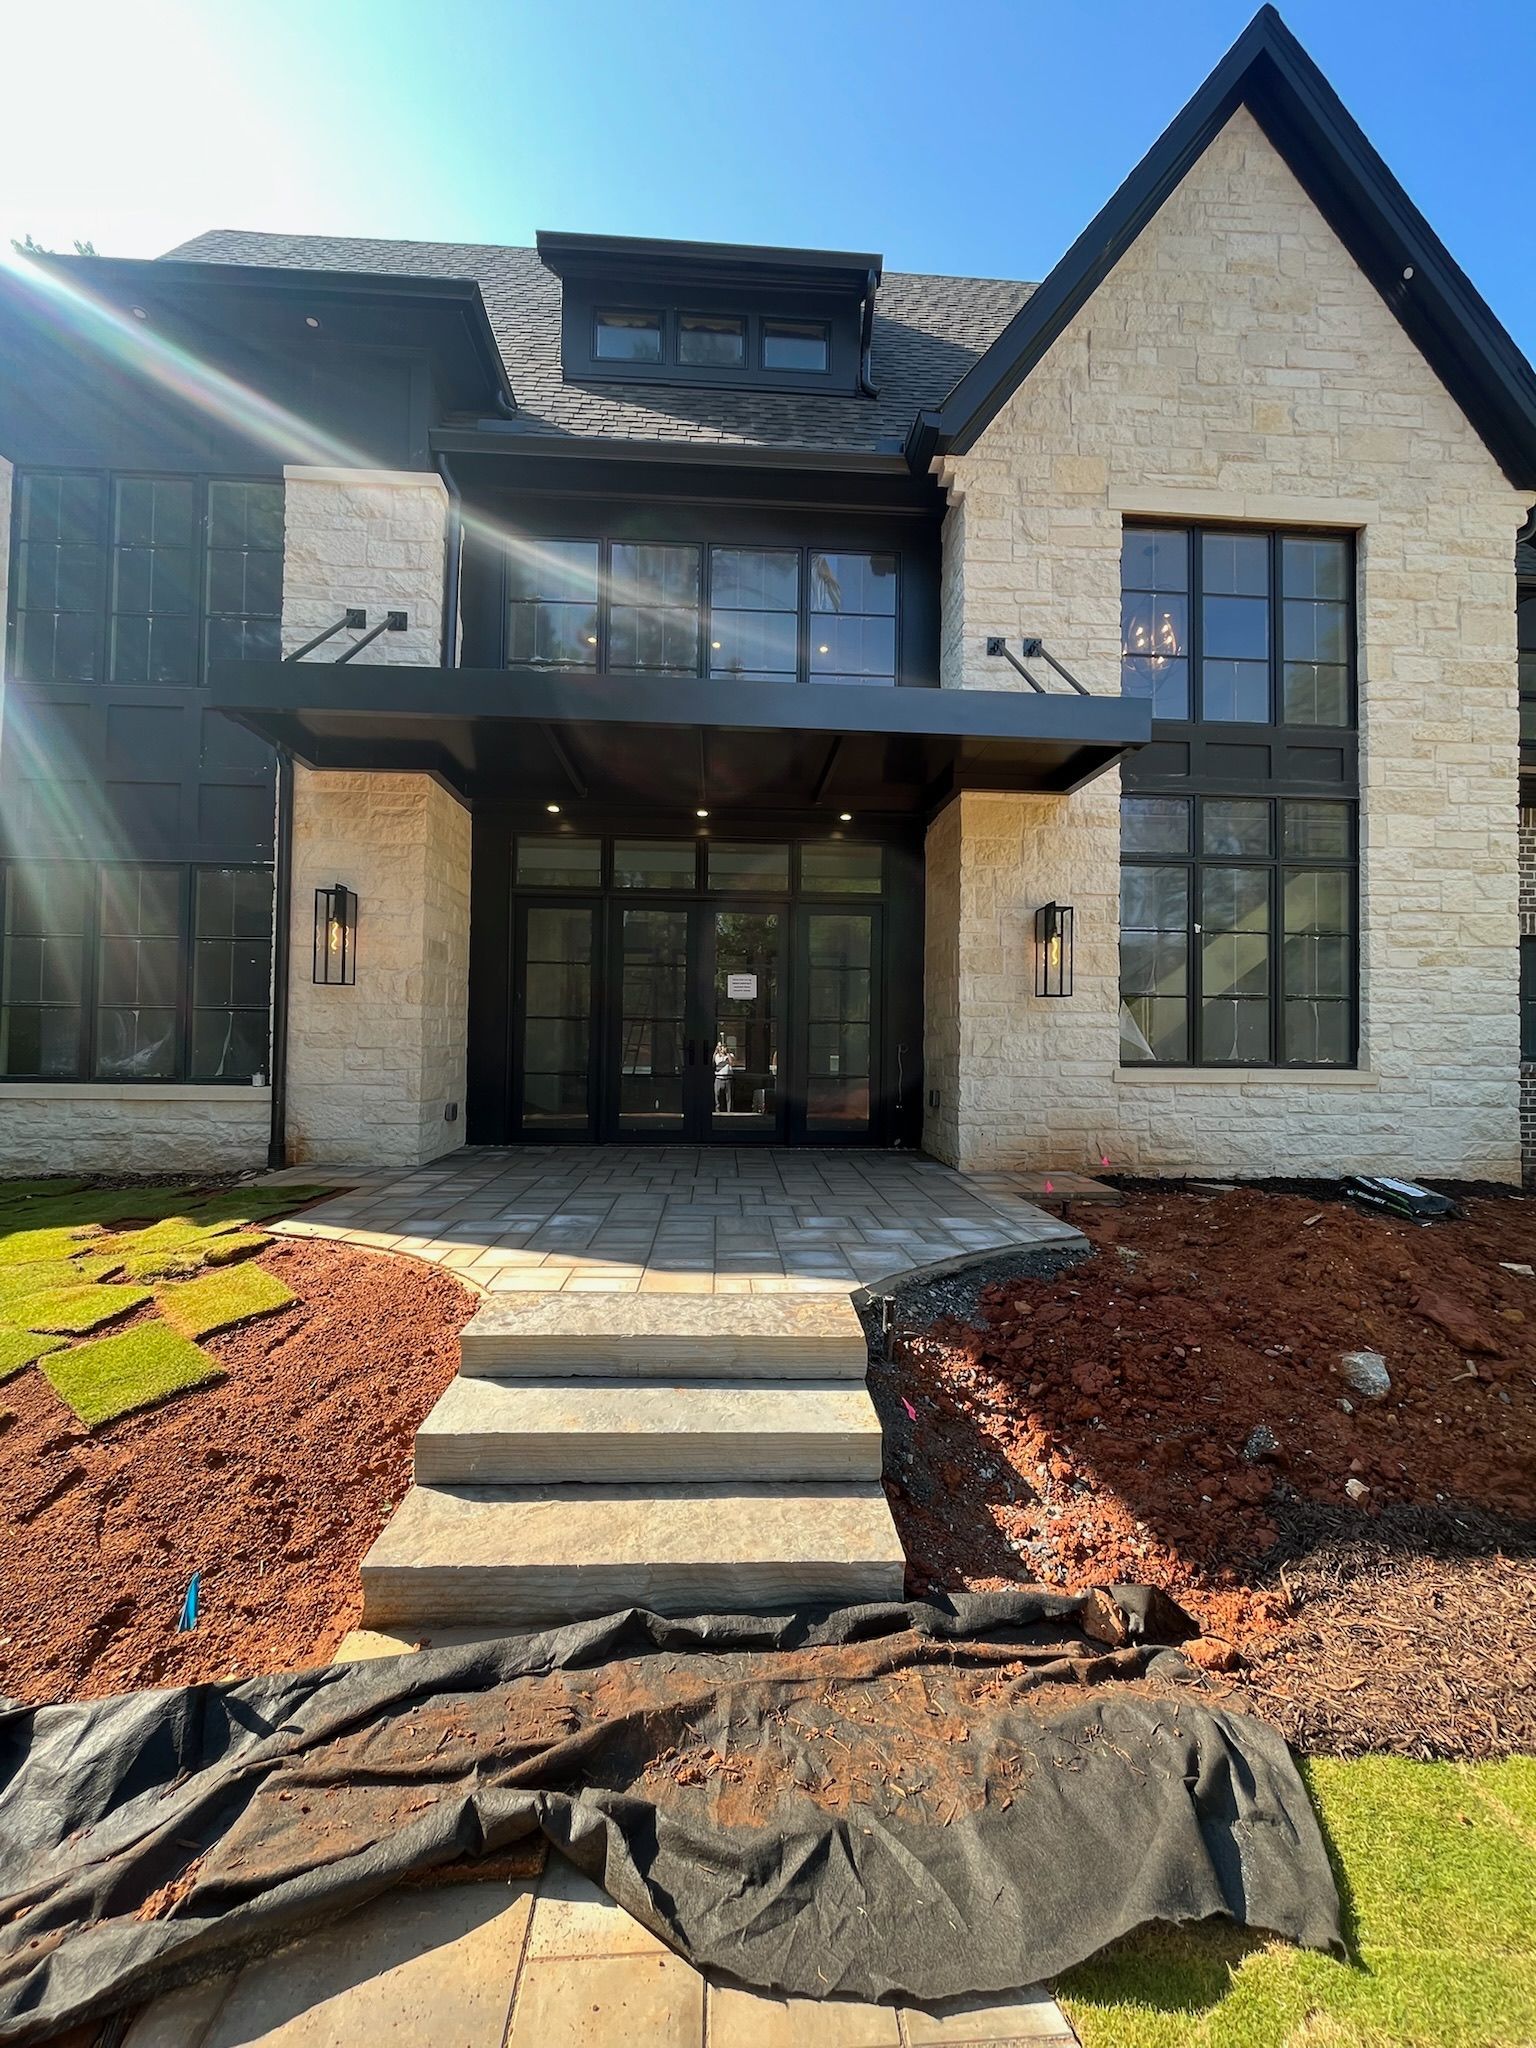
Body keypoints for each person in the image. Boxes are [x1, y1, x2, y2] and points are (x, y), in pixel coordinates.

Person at [713, 1036, 735, 1113]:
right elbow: (713, 1061)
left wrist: (727, 1053)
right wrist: (716, 1050)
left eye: (724, 1047)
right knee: (717, 1095)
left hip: (728, 1079)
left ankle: (729, 1111)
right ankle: (717, 1110)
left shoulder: (730, 1055)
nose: (723, 1049)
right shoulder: (717, 1056)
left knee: (729, 1096)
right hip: (718, 1078)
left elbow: (731, 1062)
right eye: (722, 1048)